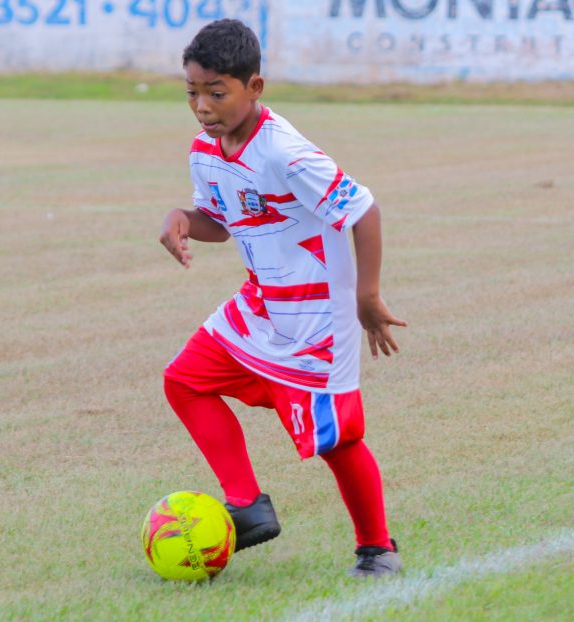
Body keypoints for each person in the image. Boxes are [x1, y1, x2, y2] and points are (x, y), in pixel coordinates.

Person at [159, 19, 407, 578]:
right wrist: (181, 219)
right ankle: (246, 506)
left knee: (335, 438)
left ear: (255, 87)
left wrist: (366, 298)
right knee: (185, 380)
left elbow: (363, 210)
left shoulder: (286, 151)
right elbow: (221, 223)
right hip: (261, 305)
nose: (202, 106)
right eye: (192, 92)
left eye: (217, 92)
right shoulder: (206, 149)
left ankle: (377, 548)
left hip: (318, 316)